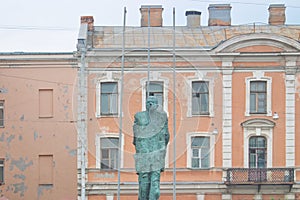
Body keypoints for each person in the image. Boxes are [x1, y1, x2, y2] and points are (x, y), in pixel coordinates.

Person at [133, 96, 170, 200]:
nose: (149, 105)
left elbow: (135, 138)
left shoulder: (140, 116)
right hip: (151, 155)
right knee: (150, 183)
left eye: (151, 103)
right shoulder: (161, 118)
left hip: (148, 155)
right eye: (149, 103)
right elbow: (166, 136)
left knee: (149, 183)